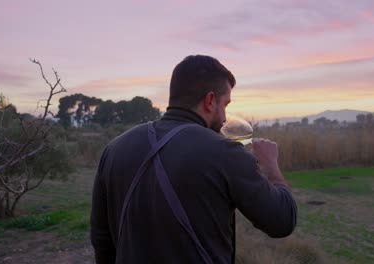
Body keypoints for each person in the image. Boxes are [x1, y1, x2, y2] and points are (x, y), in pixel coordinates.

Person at [90, 55, 297, 264]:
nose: (225, 117)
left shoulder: (114, 149)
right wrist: (271, 167)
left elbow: (101, 238)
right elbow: (282, 221)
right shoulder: (225, 152)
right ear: (209, 101)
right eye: (225, 104)